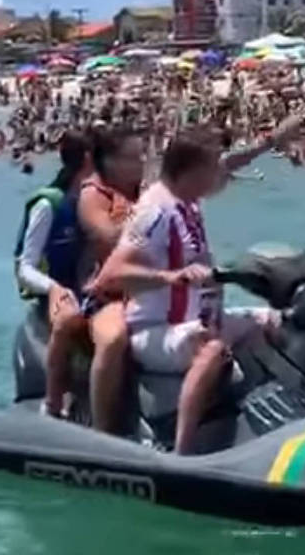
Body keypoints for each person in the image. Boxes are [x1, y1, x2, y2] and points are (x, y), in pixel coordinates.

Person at [94, 132, 276, 455]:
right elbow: (111, 275)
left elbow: (230, 163)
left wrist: (273, 140)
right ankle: (183, 450)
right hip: (156, 331)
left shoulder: (189, 201)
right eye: (211, 168)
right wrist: (171, 277)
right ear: (191, 171)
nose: (218, 175)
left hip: (201, 320)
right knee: (213, 348)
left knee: (278, 323)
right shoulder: (154, 211)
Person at [14, 132, 94, 418]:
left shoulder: (96, 203)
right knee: (69, 319)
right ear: (87, 160)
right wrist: (54, 290)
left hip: (91, 293)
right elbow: (25, 267)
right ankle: (53, 403)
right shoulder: (49, 205)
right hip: (57, 298)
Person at [76, 128, 145, 433]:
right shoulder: (93, 195)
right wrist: (142, 213)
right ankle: (103, 431)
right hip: (109, 295)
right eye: (132, 158)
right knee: (114, 338)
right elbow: (108, 236)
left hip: (154, 287)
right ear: (110, 162)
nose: (141, 163)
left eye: (142, 155)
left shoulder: (146, 190)